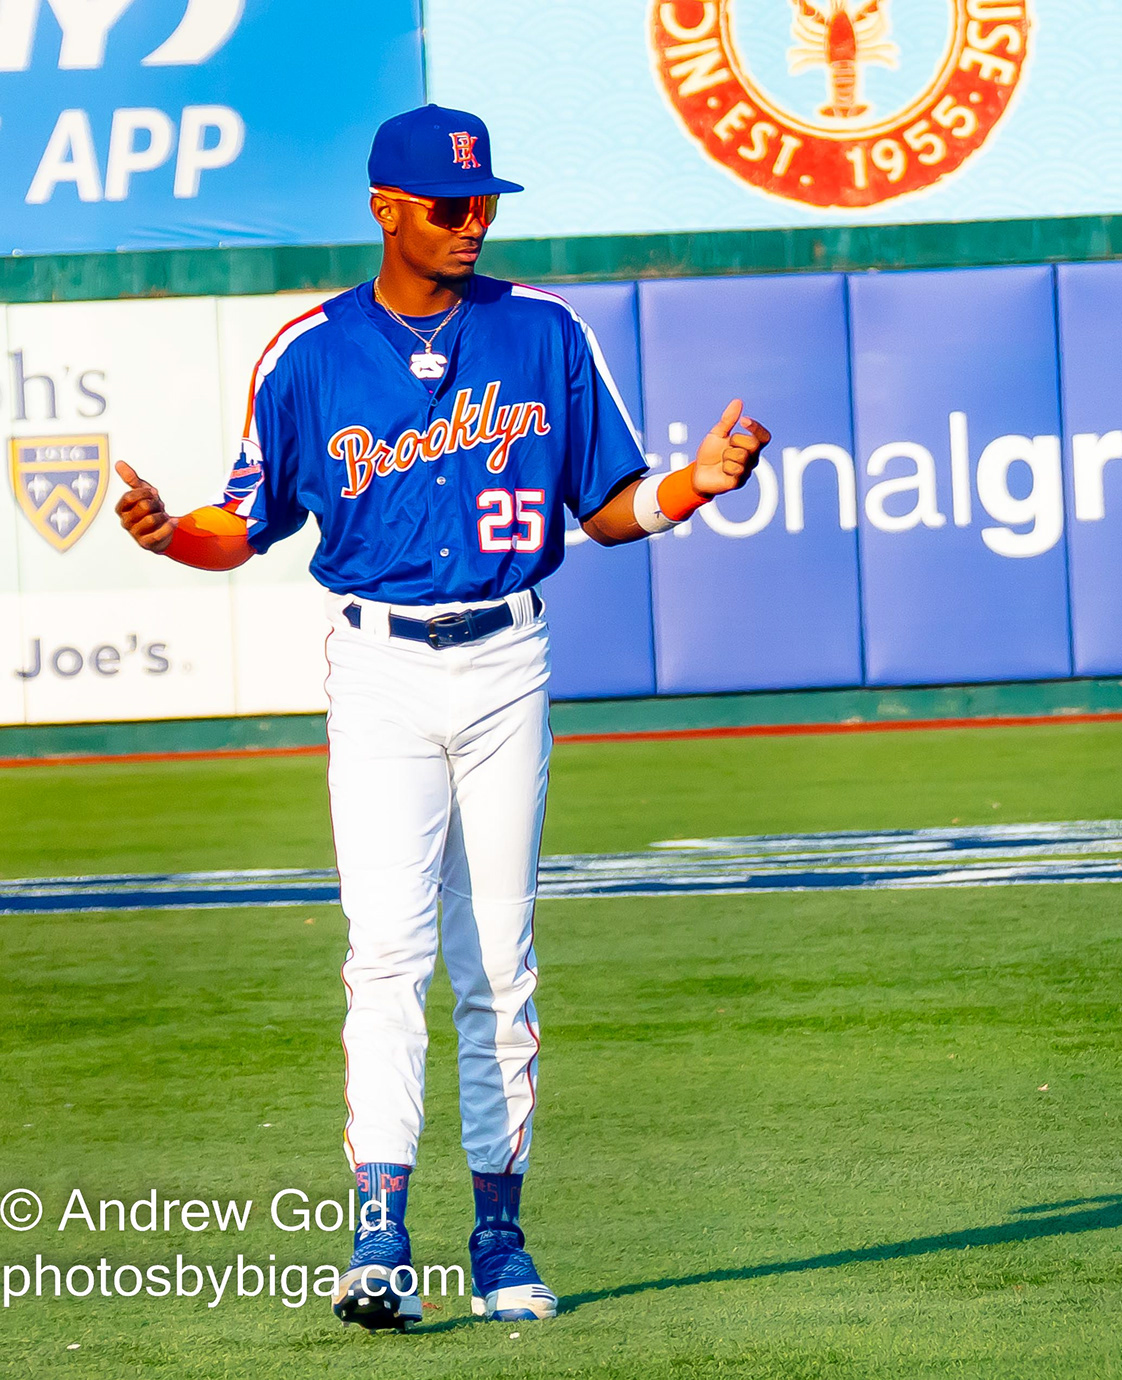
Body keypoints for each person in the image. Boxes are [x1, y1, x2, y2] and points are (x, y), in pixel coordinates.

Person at [114, 104, 770, 1329]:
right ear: (387, 208)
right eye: (452, 205)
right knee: (386, 954)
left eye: (486, 205)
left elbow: (611, 503)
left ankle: (501, 1238)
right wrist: (167, 538)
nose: (475, 224)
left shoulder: (542, 334)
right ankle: (376, 1236)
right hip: (377, 669)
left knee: (499, 964)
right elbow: (240, 521)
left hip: (508, 656)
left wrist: (694, 487)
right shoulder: (308, 354)